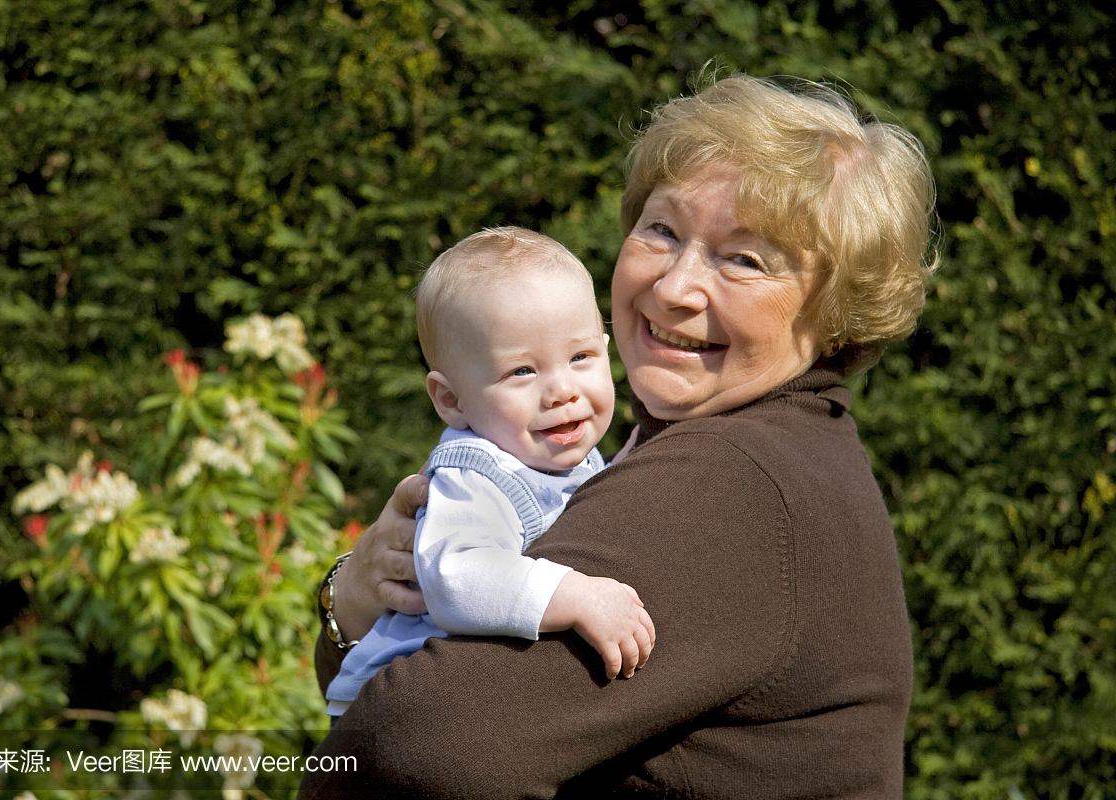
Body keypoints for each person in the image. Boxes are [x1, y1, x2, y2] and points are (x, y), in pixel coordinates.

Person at [300, 72, 937, 798]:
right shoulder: (690, 450)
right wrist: (352, 602)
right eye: (662, 230)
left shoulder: (730, 481)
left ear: (836, 313)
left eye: (744, 259)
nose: (673, 288)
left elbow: (414, 743)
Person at [323, 227, 654, 719]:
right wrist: (577, 596)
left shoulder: (548, 450)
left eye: (581, 357)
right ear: (451, 400)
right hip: (401, 708)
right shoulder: (476, 475)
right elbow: (459, 577)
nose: (562, 389)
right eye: (522, 371)